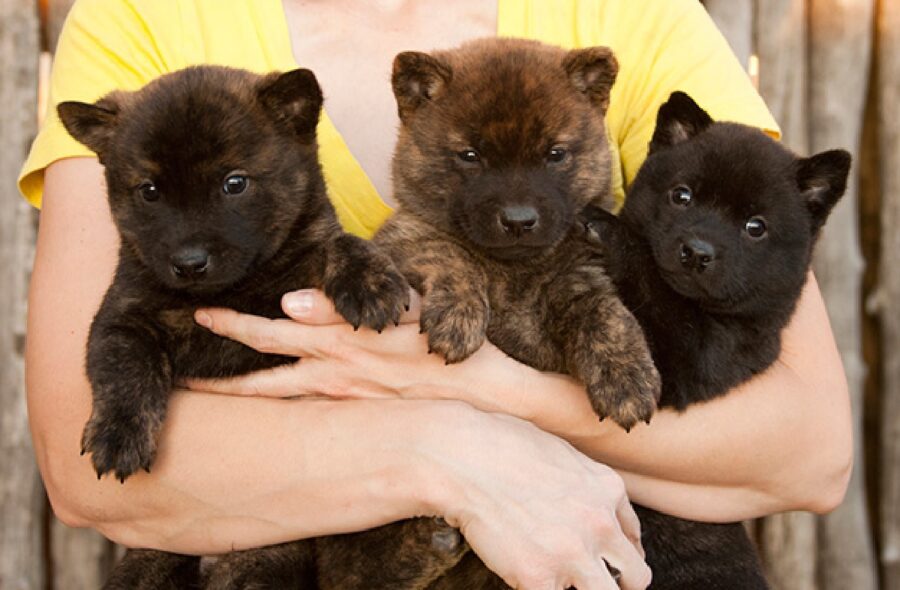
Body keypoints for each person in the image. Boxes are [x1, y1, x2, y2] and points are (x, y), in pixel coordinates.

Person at [19, 0, 852, 588]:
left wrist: (492, 396)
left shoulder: (636, 15)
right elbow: (86, 467)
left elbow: (809, 452)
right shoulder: (141, 14)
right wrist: (446, 454)